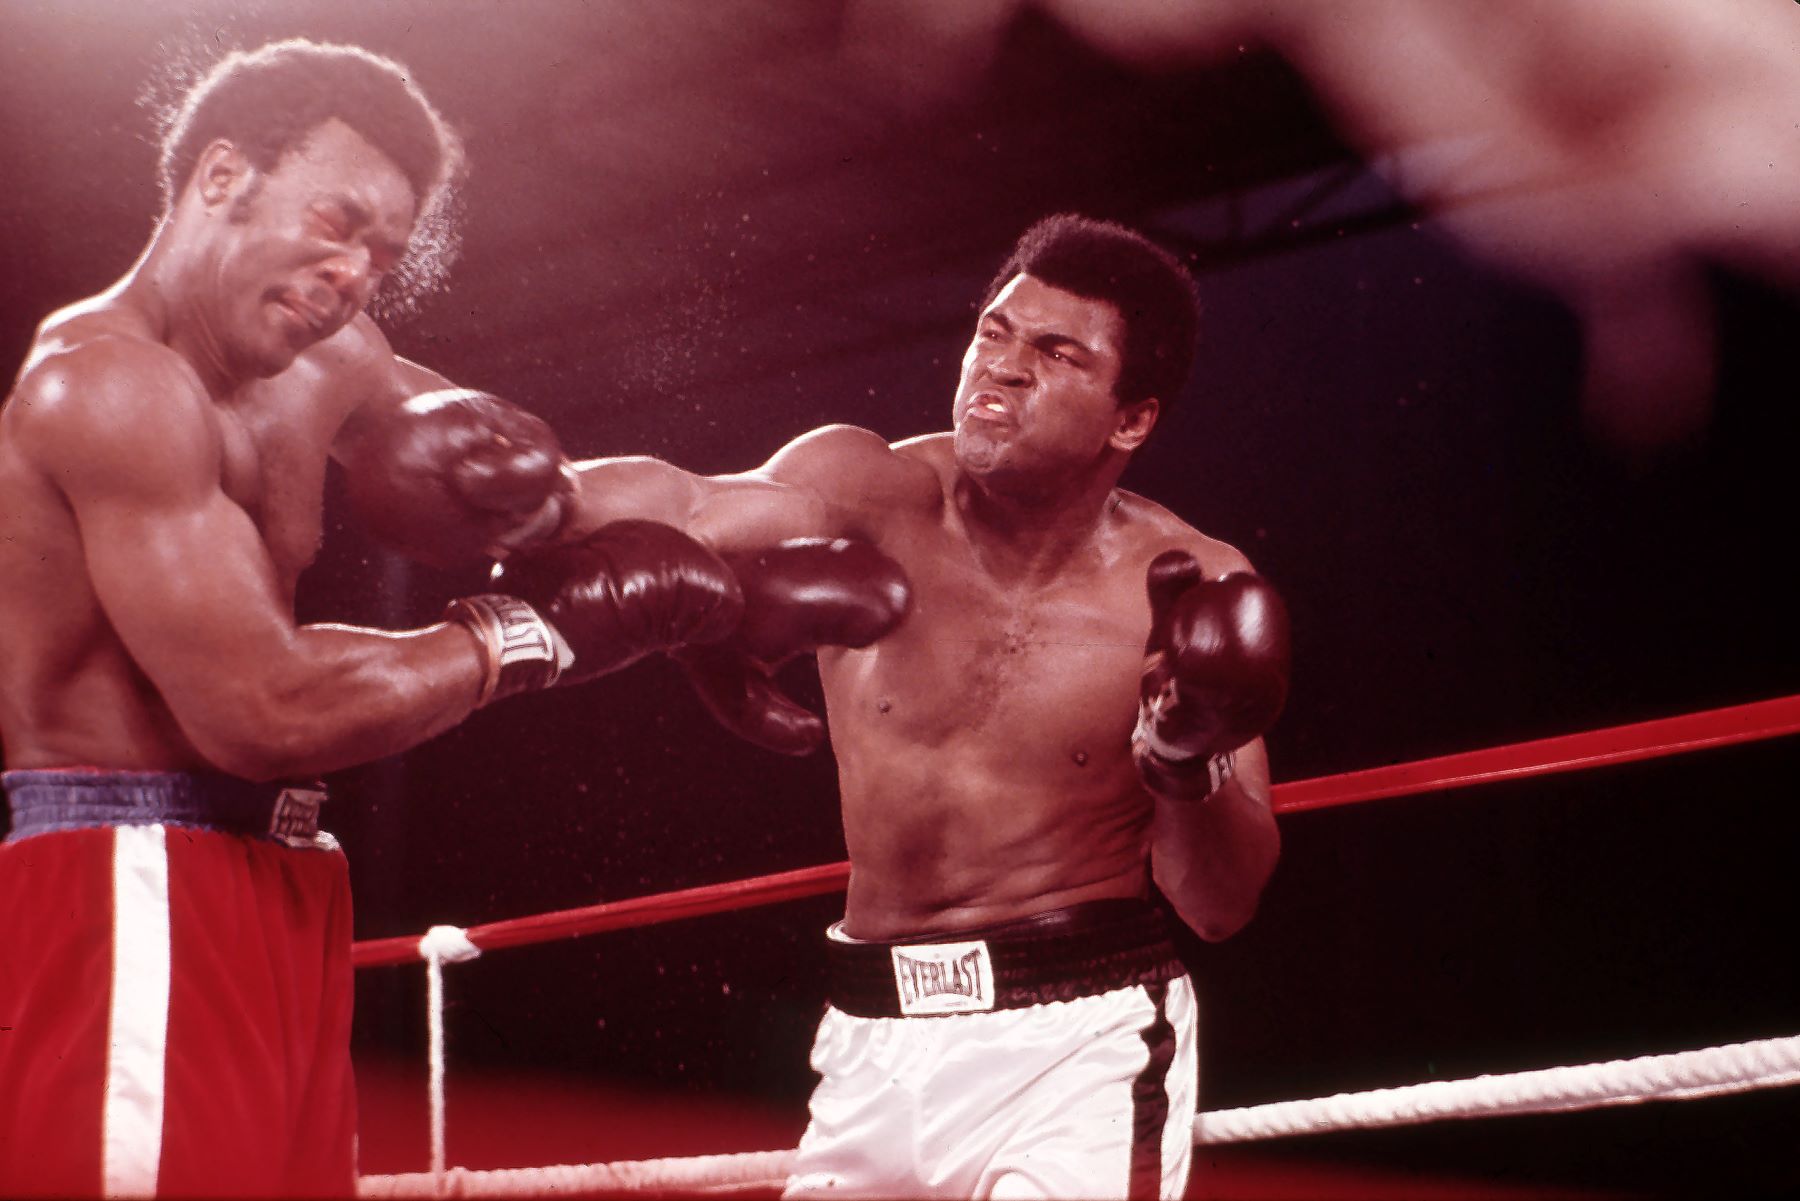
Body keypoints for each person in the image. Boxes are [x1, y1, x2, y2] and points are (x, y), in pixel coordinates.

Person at [0, 39, 771, 1200]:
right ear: (220, 179)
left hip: (286, 884)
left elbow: (551, 498)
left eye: (383, 250)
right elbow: (262, 709)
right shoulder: (107, 386)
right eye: (334, 219)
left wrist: (819, 534)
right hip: (131, 882)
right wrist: (529, 634)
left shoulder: (333, 363)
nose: (352, 271)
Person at [560, 213, 1291, 1199]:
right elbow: (689, 504)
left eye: (1057, 352)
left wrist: (1181, 758)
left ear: (1131, 418)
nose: (1006, 366)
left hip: (1078, 1045)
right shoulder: (866, 493)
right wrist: (531, 496)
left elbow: (1221, 905)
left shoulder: (1195, 582)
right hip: (870, 1038)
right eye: (995, 332)